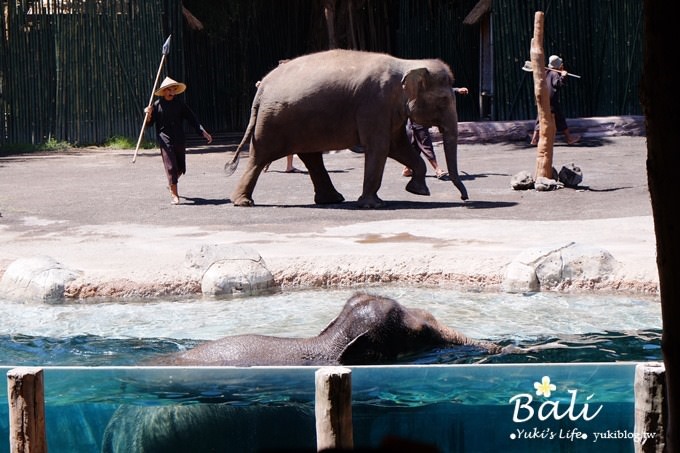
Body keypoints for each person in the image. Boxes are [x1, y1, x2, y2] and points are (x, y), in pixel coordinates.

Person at [144, 77, 212, 204]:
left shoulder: (180, 105)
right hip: (165, 138)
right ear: (163, 91)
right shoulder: (157, 105)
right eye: (169, 90)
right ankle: (174, 194)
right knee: (171, 165)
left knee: (180, 166)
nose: (172, 92)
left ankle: (172, 181)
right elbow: (149, 124)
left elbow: (192, 118)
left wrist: (202, 131)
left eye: (174, 89)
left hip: (179, 137)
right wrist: (148, 115)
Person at [402, 87, 469, 179]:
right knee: (425, 142)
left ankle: (407, 168)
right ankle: (437, 169)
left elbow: (439, 89)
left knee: (416, 145)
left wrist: (457, 90)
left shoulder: (427, 85)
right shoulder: (415, 85)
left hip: (423, 116)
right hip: (417, 117)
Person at [530, 55, 580, 146]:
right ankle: (569, 138)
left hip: (543, 98)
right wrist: (563, 76)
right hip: (551, 100)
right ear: (558, 65)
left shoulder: (544, 72)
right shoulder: (554, 73)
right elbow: (557, 84)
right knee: (560, 118)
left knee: (540, 118)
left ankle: (534, 139)